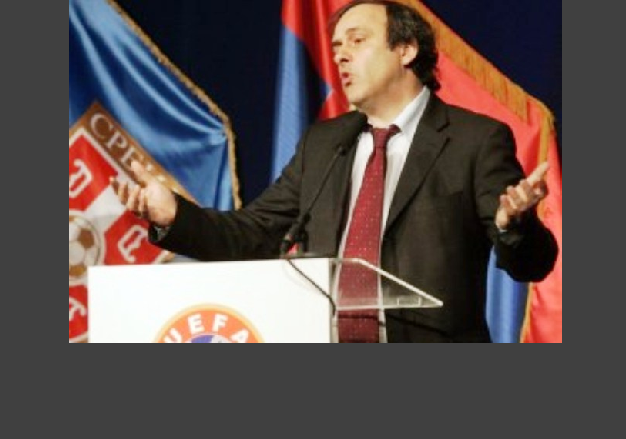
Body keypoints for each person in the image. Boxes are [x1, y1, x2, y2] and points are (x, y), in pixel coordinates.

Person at [112, 0, 558, 342]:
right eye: (337, 47)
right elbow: (253, 234)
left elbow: (531, 264)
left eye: (357, 41)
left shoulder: (474, 140)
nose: (341, 56)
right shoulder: (324, 143)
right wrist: (174, 216)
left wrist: (513, 225)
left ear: (406, 49)